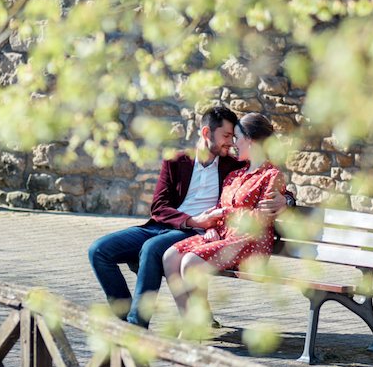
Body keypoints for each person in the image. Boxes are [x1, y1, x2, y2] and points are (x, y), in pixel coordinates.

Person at [87, 105, 287, 327]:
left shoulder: (233, 164)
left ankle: (137, 324)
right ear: (206, 133)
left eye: (233, 137)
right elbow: (159, 206)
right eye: (226, 136)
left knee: (152, 249)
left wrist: (287, 199)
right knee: (99, 251)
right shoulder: (175, 161)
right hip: (168, 225)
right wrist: (191, 220)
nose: (230, 143)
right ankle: (124, 314)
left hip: (198, 232)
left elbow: (267, 175)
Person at [162, 113, 286, 324]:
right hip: (224, 237)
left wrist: (227, 215)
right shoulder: (235, 174)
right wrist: (212, 226)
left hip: (251, 243)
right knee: (171, 257)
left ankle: (198, 324)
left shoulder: (272, 176)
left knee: (191, 262)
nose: (233, 143)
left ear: (251, 140)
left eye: (236, 138)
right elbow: (219, 207)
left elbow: (261, 219)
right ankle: (189, 322)